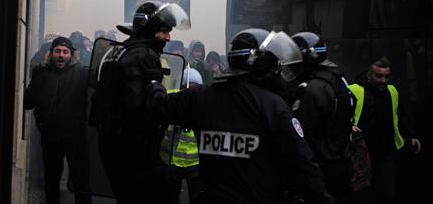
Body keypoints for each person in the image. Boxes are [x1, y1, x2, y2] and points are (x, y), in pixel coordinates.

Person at [146, 29, 335, 203]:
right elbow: (303, 165)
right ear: (262, 63)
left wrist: (153, 79)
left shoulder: (200, 97)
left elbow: (158, 107)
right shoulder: (273, 106)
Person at [88, 1, 190, 204]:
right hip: (134, 149)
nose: (168, 37)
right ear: (151, 29)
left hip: (109, 143)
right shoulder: (145, 56)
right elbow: (142, 109)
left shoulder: (115, 51)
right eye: (164, 31)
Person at [290, 32, 358, 204]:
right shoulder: (338, 79)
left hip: (322, 166)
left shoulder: (312, 89)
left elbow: (302, 137)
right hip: (342, 161)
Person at [23, 37, 91, 204]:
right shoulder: (42, 73)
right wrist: (36, 81)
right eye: (58, 51)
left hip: (75, 137)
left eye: (65, 52)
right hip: (50, 136)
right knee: (51, 179)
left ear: (72, 55)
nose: (61, 55)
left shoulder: (82, 73)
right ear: (51, 53)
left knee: (81, 179)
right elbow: (28, 103)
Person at [349, 57, 421, 204]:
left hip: (384, 151)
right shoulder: (354, 90)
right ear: (369, 75)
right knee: (362, 194)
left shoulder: (391, 91)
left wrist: (410, 135)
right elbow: (339, 115)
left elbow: (400, 115)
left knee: (387, 193)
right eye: (379, 76)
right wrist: (347, 126)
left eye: (387, 76)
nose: (383, 80)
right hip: (361, 152)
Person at [160, 67, 204, 204]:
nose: (191, 90)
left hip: (193, 163)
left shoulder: (172, 97)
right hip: (172, 161)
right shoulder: (172, 97)